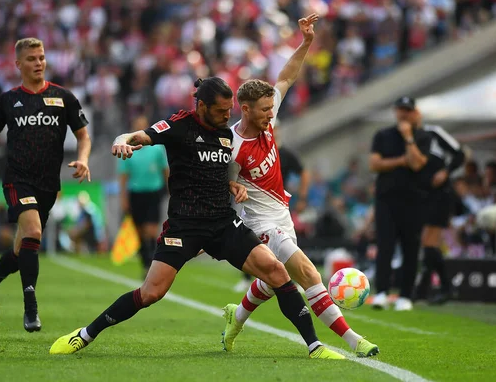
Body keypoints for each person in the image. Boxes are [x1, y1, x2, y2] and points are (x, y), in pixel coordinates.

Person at [50, 77, 342, 360]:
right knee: (151, 293)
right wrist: (121, 140)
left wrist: (233, 185)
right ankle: (85, 334)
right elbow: (138, 136)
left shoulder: (227, 135)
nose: (228, 117)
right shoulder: (178, 126)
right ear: (201, 106)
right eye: (221, 111)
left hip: (222, 224)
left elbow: (218, 173)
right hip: (185, 226)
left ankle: (315, 345)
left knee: (277, 272)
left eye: (230, 111)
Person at [222, 13, 378, 358]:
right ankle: (353, 341)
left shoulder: (266, 117)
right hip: (258, 223)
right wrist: (232, 189)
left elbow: (287, 76)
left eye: (270, 109)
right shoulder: (231, 145)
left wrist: (306, 41)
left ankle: (237, 317)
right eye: (263, 111)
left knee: (271, 280)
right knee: (307, 273)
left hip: (281, 213)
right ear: (244, 110)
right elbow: (224, 185)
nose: (269, 116)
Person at [0, 37, 92, 332]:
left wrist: (84, 159)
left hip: (48, 184)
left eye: (42, 57)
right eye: (32, 58)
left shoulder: (64, 97)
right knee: (34, 232)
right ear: (18, 64)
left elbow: (83, 135)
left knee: (24, 247)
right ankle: (31, 307)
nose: (38, 63)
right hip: (17, 179)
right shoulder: (8, 100)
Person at [369, 96, 430, 311]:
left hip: (413, 201)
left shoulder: (422, 137)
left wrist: (408, 138)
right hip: (386, 199)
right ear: (396, 111)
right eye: (400, 110)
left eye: (408, 110)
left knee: (410, 248)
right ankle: (382, 292)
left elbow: (417, 164)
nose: (404, 114)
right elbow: (375, 164)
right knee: (384, 246)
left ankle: (405, 295)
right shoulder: (382, 135)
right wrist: (400, 161)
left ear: (414, 113)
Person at [414, 121, 465, 305]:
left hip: (440, 195)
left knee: (429, 242)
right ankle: (428, 289)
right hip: (424, 197)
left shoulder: (433, 133)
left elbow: (460, 154)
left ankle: (443, 287)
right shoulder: (407, 140)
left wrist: (446, 172)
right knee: (428, 244)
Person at [118, 115, 169, 278]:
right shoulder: (127, 147)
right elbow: (124, 176)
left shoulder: (157, 148)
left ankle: (151, 264)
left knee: (151, 230)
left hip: (153, 191)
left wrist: (171, 189)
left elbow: (165, 170)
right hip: (136, 192)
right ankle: (145, 262)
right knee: (140, 231)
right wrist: (124, 198)